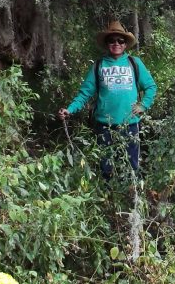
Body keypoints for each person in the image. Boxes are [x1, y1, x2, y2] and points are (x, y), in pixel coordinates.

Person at [58, 20, 157, 181]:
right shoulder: (99, 66)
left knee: (131, 166)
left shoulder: (134, 63)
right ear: (106, 43)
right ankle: (109, 198)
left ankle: (131, 199)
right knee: (106, 167)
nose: (116, 43)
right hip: (104, 126)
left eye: (120, 40)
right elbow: (85, 94)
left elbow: (151, 87)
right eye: (112, 40)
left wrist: (143, 105)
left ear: (125, 44)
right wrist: (69, 109)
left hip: (130, 124)